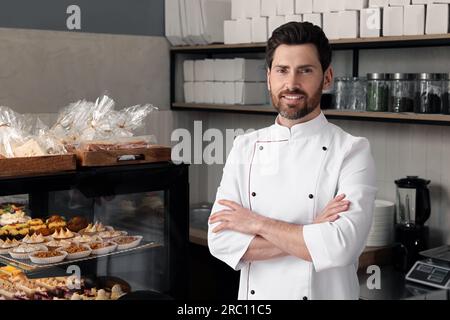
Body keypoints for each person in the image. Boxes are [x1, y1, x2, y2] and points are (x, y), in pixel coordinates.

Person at [207, 22, 377, 300]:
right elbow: (220, 241)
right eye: (282, 70)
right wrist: (312, 232)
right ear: (268, 77)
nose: (292, 84)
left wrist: (255, 223)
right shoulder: (244, 147)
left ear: (327, 77)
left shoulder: (351, 150)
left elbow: (340, 246)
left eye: (305, 70)